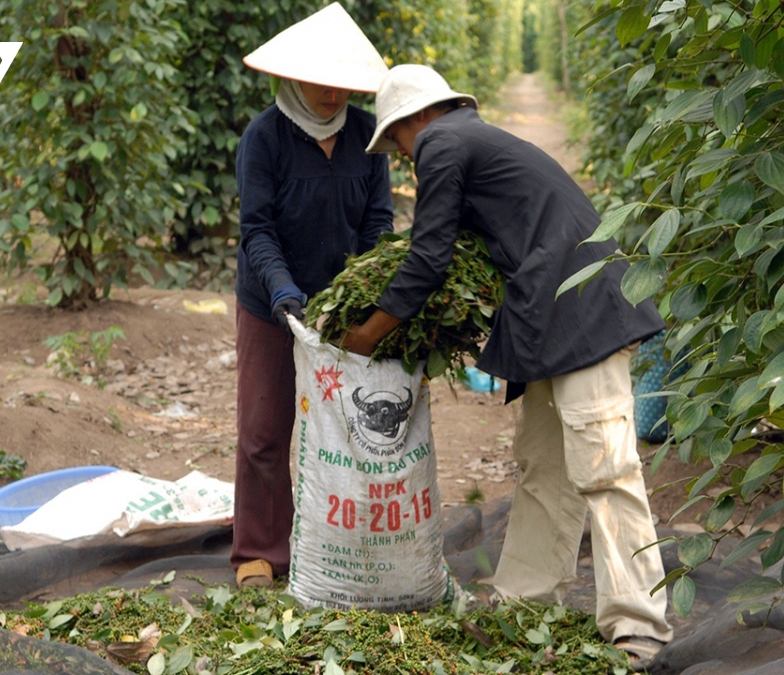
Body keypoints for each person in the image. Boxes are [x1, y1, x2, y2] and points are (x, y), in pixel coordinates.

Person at [340, 64, 673, 667]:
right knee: (543, 464)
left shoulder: (442, 142)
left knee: (605, 464)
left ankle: (639, 624)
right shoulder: (472, 140)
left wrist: (368, 332)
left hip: (584, 311)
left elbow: (430, 256)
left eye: (398, 140)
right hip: (552, 310)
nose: (402, 153)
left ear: (418, 118)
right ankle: (526, 602)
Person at [231, 3, 393, 590]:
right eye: (320, 80)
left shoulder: (364, 134)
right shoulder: (264, 138)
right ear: (294, 76)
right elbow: (258, 229)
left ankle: (343, 540)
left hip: (343, 306)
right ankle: (260, 550)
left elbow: (378, 220)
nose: (332, 93)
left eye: (342, 82)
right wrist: (283, 295)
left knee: (354, 426)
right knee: (263, 430)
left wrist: (369, 289)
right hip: (270, 304)